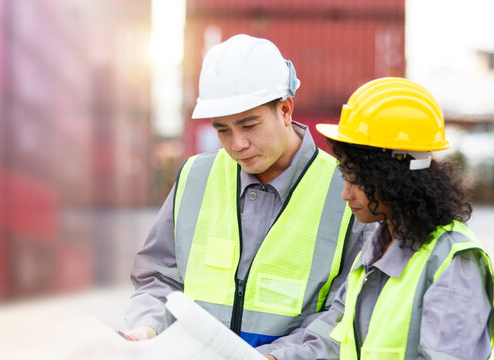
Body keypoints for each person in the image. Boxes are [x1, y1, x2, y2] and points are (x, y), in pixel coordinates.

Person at [123, 33, 376, 348]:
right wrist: (147, 326)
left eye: (249, 125)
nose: (237, 144)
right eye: (223, 130)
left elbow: (346, 312)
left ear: (285, 110)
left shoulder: (346, 191)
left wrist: (277, 358)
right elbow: (157, 277)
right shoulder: (194, 177)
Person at [264, 77, 493, 359]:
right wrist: (274, 357)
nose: (345, 194)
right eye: (344, 178)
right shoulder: (374, 250)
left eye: (356, 180)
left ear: (394, 178)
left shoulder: (452, 262)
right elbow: (333, 338)